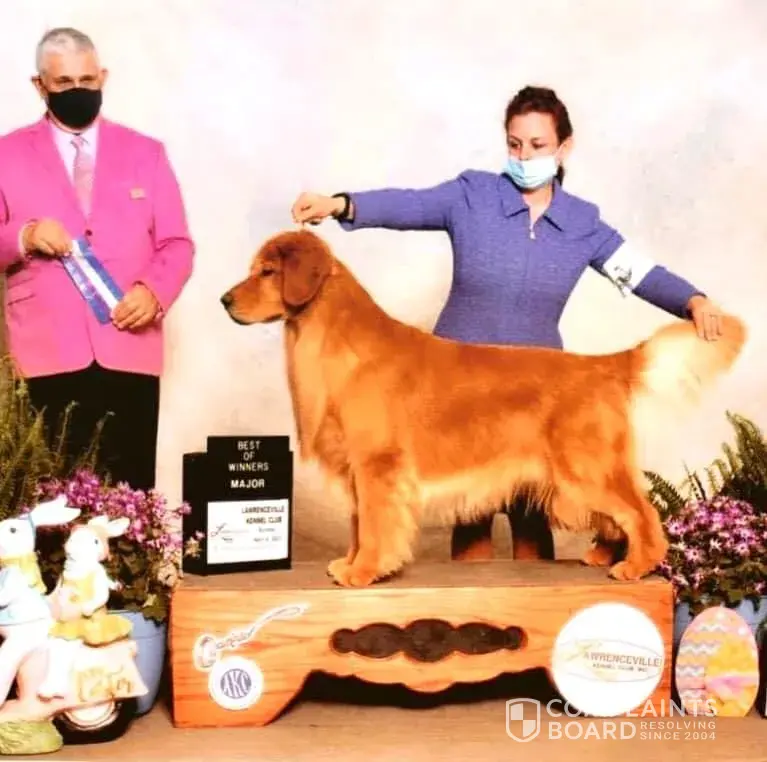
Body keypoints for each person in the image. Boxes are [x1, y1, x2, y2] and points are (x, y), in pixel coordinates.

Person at [290, 85, 724, 564]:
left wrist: (693, 300)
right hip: (455, 389)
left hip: (537, 393)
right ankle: (471, 607)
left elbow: (640, 273)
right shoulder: (472, 196)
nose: (525, 156)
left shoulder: (582, 224)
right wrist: (341, 204)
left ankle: (544, 603)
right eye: (515, 144)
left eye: (538, 145)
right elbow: (408, 205)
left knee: (534, 520)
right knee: (470, 521)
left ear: (564, 147)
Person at [0, 27, 194, 490]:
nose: (78, 90)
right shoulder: (5, 154)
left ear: (102, 76)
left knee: (129, 498)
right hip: (45, 351)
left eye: (87, 80)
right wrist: (24, 235)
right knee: (50, 498)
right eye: (64, 83)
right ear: (39, 85)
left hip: (129, 344)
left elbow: (177, 244)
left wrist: (154, 291)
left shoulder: (146, 153)